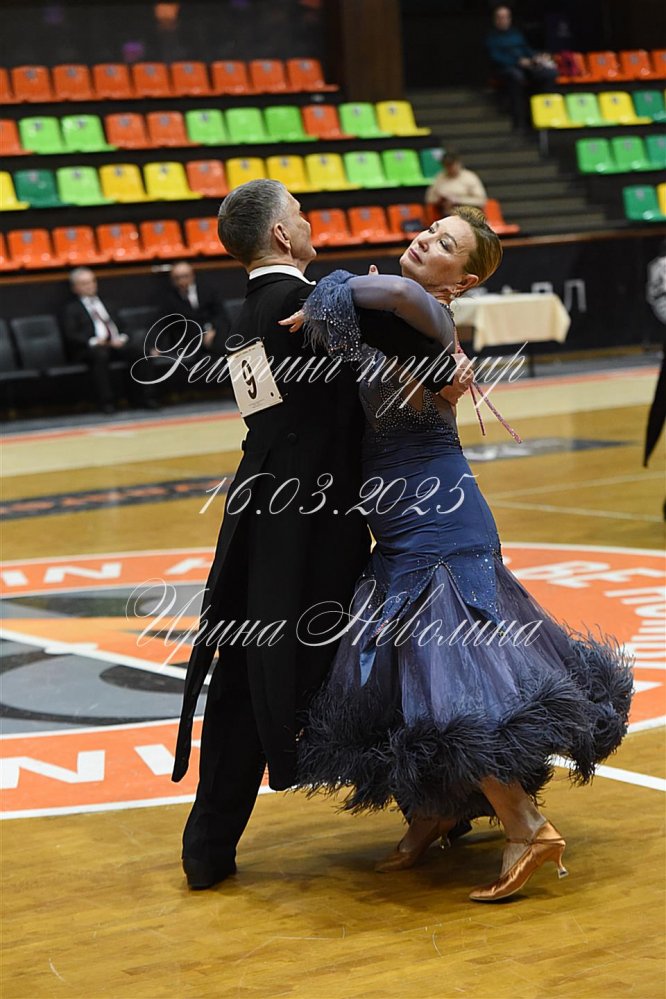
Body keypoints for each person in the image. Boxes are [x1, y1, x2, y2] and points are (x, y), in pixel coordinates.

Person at [285, 206, 633, 902]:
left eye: (444, 242)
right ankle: (436, 808)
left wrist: (325, 288)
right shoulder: (401, 321)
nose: (424, 238)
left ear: (462, 281)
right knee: (405, 674)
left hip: (439, 524)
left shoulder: (430, 315)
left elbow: (396, 292)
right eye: (429, 228)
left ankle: (526, 825)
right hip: (401, 527)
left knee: (450, 678)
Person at [171, 179, 468, 890]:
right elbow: (428, 344)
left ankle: (208, 846)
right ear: (281, 235)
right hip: (312, 526)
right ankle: (445, 799)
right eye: (300, 216)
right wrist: (443, 341)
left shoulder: (243, 315)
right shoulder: (315, 302)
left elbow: (264, 413)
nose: (308, 224)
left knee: (247, 675)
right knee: (370, 659)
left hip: (254, 512)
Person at [62, 267, 157, 414]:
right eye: (84, 283)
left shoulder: (108, 303)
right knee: (100, 355)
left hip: (115, 344)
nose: (90, 286)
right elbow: (71, 334)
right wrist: (94, 341)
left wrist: (121, 338)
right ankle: (107, 402)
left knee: (141, 352)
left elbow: (124, 327)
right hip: (92, 348)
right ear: (75, 288)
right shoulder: (71, 309)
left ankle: (144, 398)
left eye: (92, 281)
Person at [486, 4, 558, 129]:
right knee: (516, 77)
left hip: (525, 66)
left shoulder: (516, 34)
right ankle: (519, 121)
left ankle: (543, 113)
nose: (503, 20)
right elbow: (496, 57)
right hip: (506, 69)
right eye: (500, 17)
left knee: (549, 73)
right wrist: (517, 62)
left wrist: (537, 57)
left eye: (506, 17)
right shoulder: (491, 38)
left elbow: (526, 50)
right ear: (495, 20)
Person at [158, 261, 225, 356]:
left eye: (185, 276)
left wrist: (213, 330)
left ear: (192, 276)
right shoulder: (169, 299)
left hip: (212, 334)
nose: (181, 281)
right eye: (177, 278)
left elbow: (221, 315)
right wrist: (155, 346)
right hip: (188, 341)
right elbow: (162, 323)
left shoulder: (208, 291)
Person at [425, 149, 487, 216]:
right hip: (445, 214)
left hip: (469, 215)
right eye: (447, 165)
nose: (450, 168)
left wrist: (457, 200)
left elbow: (481, 201)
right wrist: (441, 200)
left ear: (458, 163)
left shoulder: (470, 177)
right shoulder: (440, 177)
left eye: (451, 164)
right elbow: (429, 198)